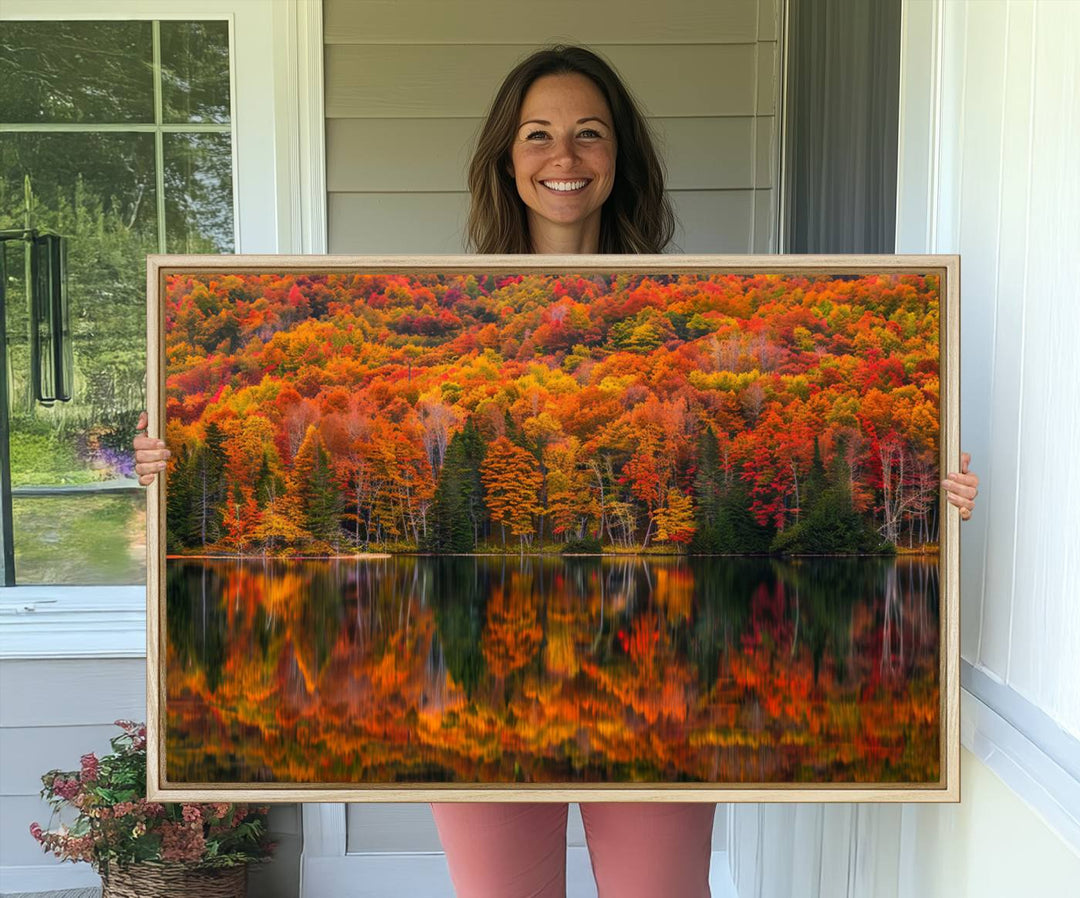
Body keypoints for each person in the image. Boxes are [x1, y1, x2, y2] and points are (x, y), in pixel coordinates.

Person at [134, 45, 980, 898]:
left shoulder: (710, 296)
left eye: (589, 134)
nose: (564, 157)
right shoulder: (450, 305)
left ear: (620, 159)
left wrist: (930, 499)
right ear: (508, 158)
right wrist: (167, 468)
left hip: (657, 734)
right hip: (483, 728)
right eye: (538, 135)